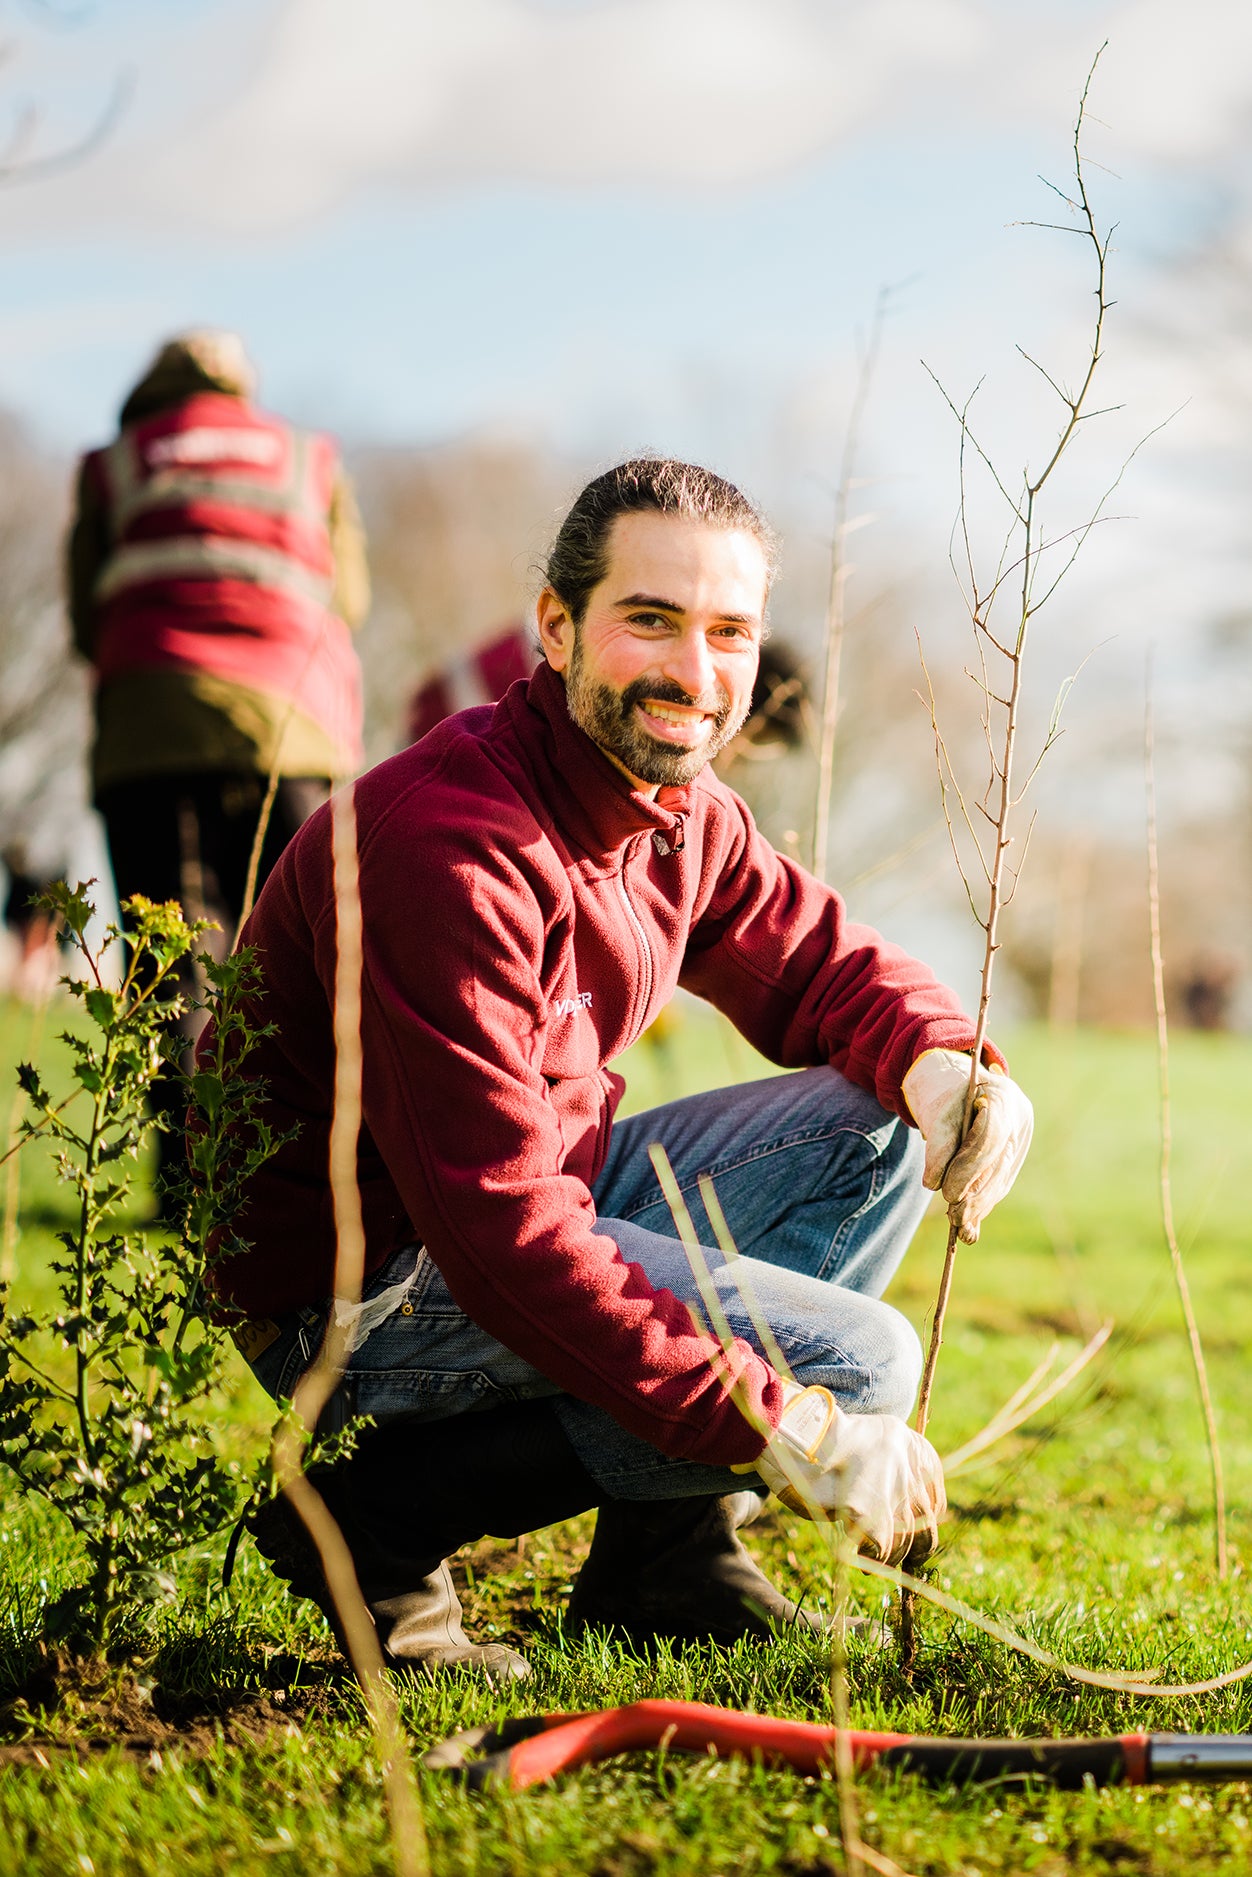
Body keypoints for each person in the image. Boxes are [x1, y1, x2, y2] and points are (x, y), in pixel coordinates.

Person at [221, 459, 1032, 1681]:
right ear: (555, 627)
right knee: (852, 1362)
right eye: (648, 619)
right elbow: (499, 1230)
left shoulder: (676, 808)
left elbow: (817, 960)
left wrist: (944, 1061)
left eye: (728, 633)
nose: (693, 673)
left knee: (873, 1123)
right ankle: (379, 1512)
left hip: (522, 1210)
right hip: (358, 1293)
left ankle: (670, 1560)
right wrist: (778, 1419)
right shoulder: (447, 849)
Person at [67, 329, 370, 1191]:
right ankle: (303, 1174)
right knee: (302, 951)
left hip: (148, 732)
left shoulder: (113, 463)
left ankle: (188, 1182)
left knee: (167, 956)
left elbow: (87, 617)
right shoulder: (309, 457)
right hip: (289, 729)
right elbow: (348, 595)